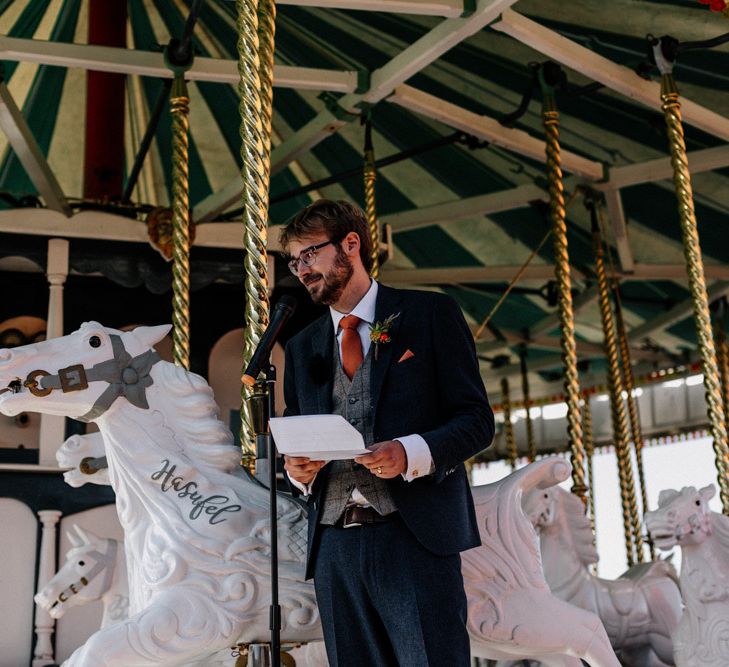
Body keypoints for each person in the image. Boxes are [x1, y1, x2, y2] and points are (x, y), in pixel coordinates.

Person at [280, 199, 494, 667]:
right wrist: (299, 471)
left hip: (414, 535)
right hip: (334, 546)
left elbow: (477, 421)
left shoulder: (430, 315)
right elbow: (299, 432)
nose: (300, 270)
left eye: (309, 255)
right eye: (293, 261)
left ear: (350, 244)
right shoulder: (299, 348)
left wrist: (410, 451)